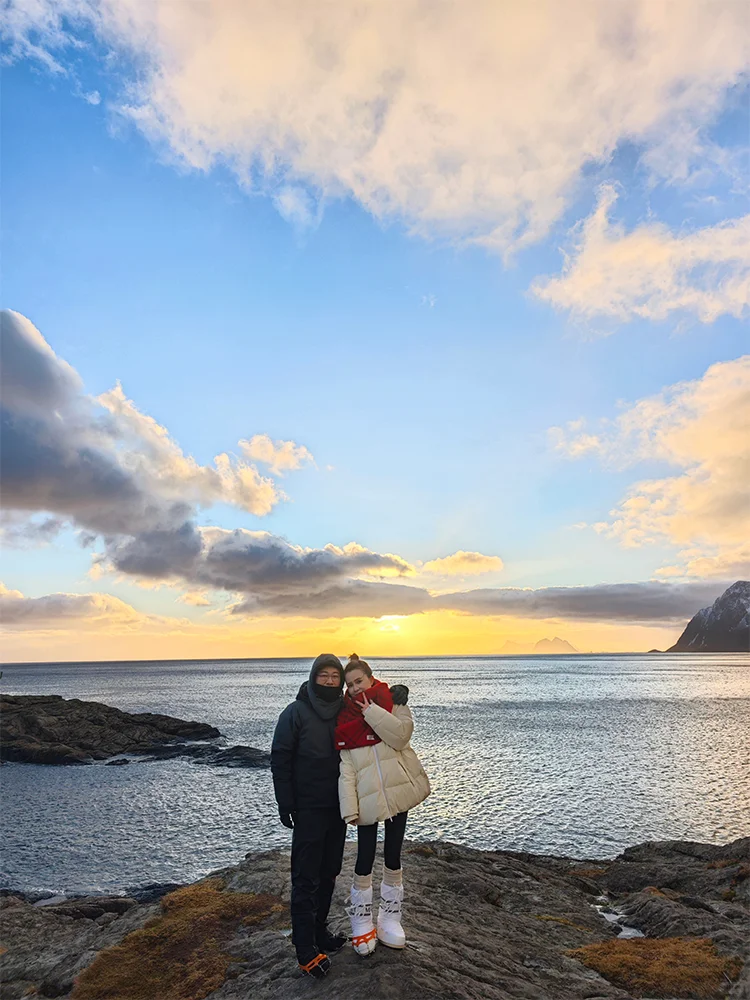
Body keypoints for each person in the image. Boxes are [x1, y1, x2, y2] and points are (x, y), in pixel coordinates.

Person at [336, 653, 431, 955]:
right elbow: (346, 766)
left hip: (397, 791)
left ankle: (390, 918)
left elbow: (401, 737)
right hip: (367, 798)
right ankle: (362, 920)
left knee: (393, 853)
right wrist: (348, 807)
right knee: (364, 857)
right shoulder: (344, 717)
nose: (354, 688)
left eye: (358, 681)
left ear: (370, 677)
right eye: (349, 685)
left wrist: (373, 711)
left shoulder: (395, 703)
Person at [271, 653, 348, 979]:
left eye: (335, 676)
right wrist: (285, 803)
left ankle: (319, 933)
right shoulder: (295, 713)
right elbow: (280, 758)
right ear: (314, 677)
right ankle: (305, 950)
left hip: (340, 807)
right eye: (324, 676)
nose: (330, 681)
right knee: (305, 877)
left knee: (329, 871)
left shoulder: (347, 710)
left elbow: (376, 711)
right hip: (308, 807)